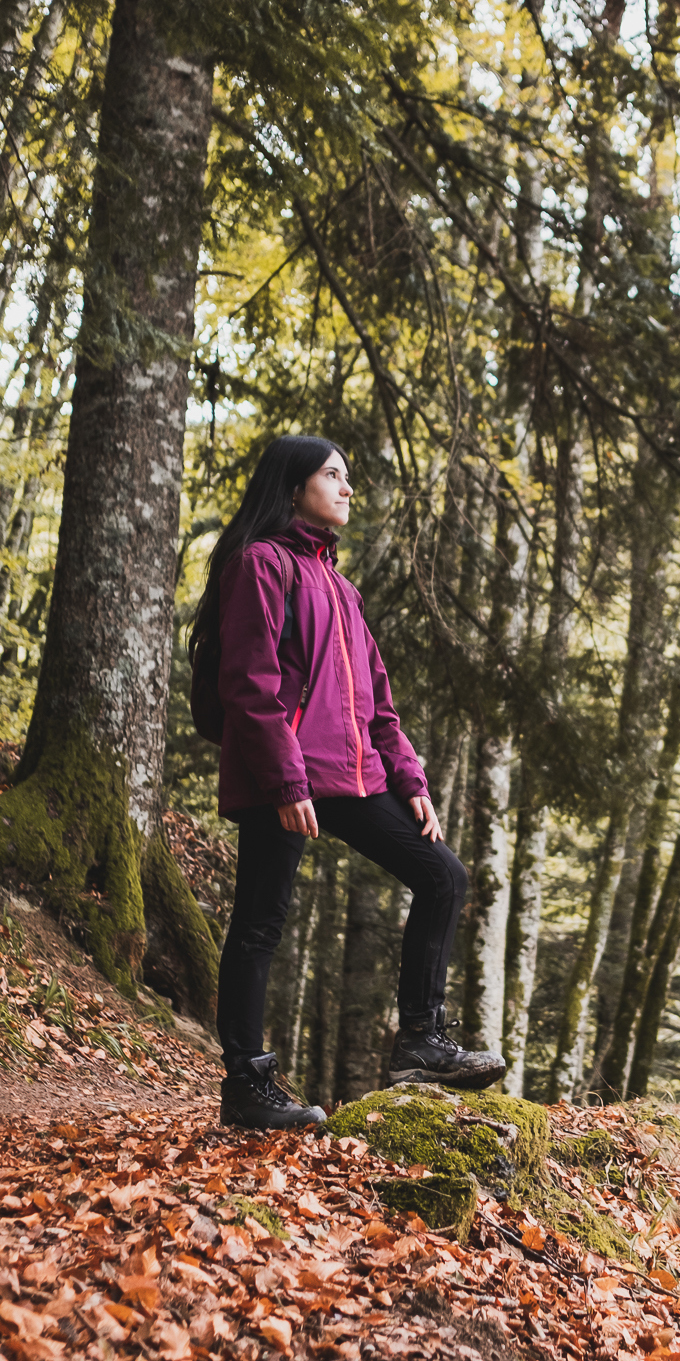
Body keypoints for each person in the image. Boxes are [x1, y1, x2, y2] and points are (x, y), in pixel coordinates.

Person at [189, 435, 505, 1129]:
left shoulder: (342, 586)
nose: (346, 488)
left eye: (347, 476)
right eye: (332, 475)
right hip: (288, 776)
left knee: (443, 876)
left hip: (351, 776)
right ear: (293, 485)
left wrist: (410, 776)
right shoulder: (260, 565)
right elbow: (250, 683)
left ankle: (420, 1038)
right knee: (260, 922)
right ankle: (246, 1083)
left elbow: (377, 700)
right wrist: (284, 779)